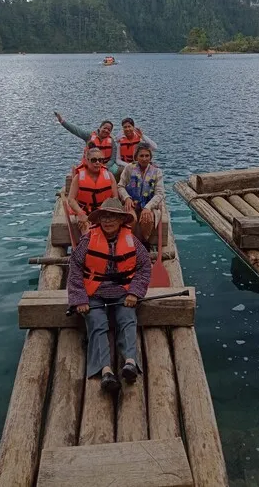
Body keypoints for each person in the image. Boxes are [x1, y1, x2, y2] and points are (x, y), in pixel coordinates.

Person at [67, 198, 151, 393]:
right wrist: (79, 299)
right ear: (99, 219)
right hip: (94, 292)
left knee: (128, 318)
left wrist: (135, 292)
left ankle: (130, 362)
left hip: (123, 292)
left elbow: (144, 268)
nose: (108, 220)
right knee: (96, 322)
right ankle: (105, 371)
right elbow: (75, 270)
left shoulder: (133, 242)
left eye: (113, 216)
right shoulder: (87, 240)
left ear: (121, 220)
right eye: (105, 216)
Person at [118, 142, 165, 245]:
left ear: (150, 157)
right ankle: (129, 242)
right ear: (136, 157)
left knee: (147, 219)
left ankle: (144, 243)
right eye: (141, 156)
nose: (144, 159)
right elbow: (120, 186)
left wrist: (148, 207)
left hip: (149, 204)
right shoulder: (129, 168)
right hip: (131, 203)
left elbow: (160, 193)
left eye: (147, 156)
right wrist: (127, 198)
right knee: (130, 219)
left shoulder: (157, 171)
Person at [67, 147, 118, 235]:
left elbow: (115, 198)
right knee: (87, 232)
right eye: (94, 160)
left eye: (100, 160)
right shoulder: (78, 177)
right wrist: (80, 213)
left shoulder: (109, 176)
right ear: (86, 161)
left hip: (104, 211)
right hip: (85, 211)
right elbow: (71, 199)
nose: (97, 162)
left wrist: (108, 213)